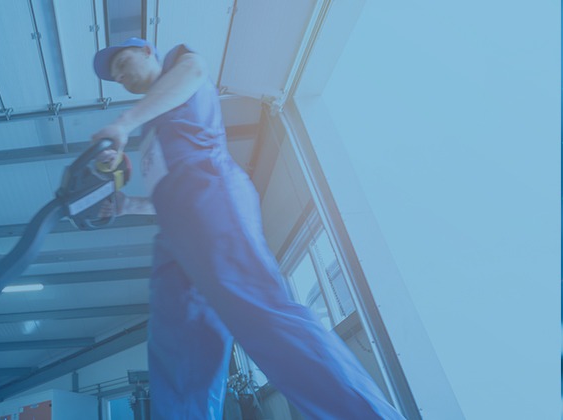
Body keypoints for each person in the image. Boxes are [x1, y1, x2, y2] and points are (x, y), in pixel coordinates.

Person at [91, 37, 405, 419]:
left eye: (122, 63)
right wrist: (127, 205)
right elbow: (166, 199)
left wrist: (124, 121)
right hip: (176, 233)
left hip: (211, 195)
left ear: (146, 52)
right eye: (115, 76)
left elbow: (196, 72)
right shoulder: (149, 127)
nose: (120, 75)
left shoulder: (180, 65)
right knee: (177, 347)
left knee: (259, 313)